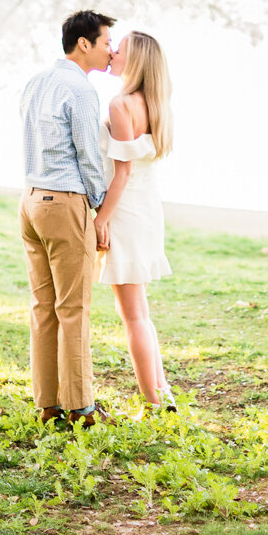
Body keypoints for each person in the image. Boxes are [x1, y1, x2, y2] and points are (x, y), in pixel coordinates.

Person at [18, 9, 115, 430]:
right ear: (85, 44)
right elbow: (89, 155)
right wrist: (99, 206)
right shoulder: (80, 90)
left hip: (31, 201)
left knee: (45, 307)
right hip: (64, 204)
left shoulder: (36, 82)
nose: (112, 50)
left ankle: (48, 404)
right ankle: (82, 407)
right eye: (107, 42)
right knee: (73, 308)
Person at [94, 30, 176, 411]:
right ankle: (163, 393)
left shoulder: (121, 104)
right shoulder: (155, 104)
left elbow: (121, 172)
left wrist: (101, 219)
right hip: (146, 208)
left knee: (132, 317)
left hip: (125, 210)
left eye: (120, 49)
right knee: (139, 312)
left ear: (136, 61)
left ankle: (154, 403)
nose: (112, 52)